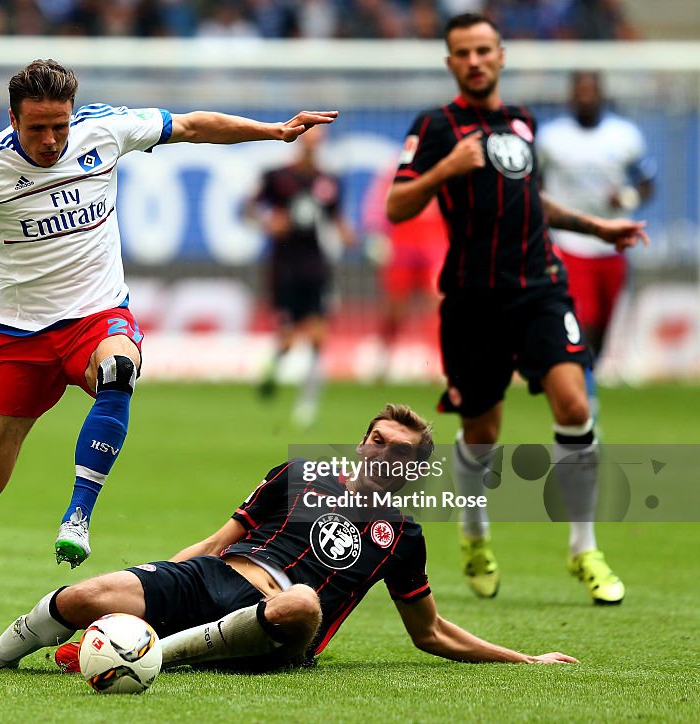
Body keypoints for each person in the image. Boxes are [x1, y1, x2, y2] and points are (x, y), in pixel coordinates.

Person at [0, 59, 339, 568]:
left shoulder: (102, 128)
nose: (52, 140)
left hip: (96, 316)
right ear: (13, 120)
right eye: (38, 128)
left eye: (60, 126)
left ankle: (77, 517)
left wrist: (274, 131)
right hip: (21, 334)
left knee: (119, 369)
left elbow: (190, 125)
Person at [0, 403, 578, 672]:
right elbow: (215, 539)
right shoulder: (298, 474)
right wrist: (149, 579)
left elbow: (430, 632)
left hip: (277, 627)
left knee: (303, 604)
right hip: (215, 579)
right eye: (375, 439)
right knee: (89, 592)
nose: (380, 452)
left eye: (396, 451)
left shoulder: (401, 536)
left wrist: (525, 661)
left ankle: (146, 654)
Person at [386, 14, 648, 604]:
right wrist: (448, 168)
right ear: (450, 62)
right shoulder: (434, 125)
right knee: (481, 433)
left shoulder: (522, 121)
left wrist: (596, 227)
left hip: (541, 286)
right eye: (462, 53)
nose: (475, 61)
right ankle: (475, 535)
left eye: (484, 50)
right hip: (474, 300)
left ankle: (584, 549)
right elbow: (398, 204)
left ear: (501, 56)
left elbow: (528, 197)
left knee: (575, 401)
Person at [537, 71, 656, 412]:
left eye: (591, 91)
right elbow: (534, 183)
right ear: (571, 95)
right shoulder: (551, 138)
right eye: (580, 91)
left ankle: (585, 381)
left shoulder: (624, 136)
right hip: (569, 243)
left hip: (612, 244)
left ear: (601, 95)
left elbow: (647, 181)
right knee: (581, 320)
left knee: (601, 327)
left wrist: (628, 199)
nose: (586, 97)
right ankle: (583, 400)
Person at [252, 124, 356, 429]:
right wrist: (268, 221)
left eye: (317, 142)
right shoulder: (277, 177)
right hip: (283, 266)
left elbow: (336, 219)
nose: (311, 147)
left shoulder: (329, 181)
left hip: (314, 265)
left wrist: (348, 235)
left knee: (316, 337)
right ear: (299, 144)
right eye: (307, 142)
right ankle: (272, 368)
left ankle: (306, 405)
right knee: (287, 339)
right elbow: (247, 209)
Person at [360, 163, 447, 380]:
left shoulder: (447, 165)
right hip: (402, 245)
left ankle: (437, 363)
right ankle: (383, 357)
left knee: (438, 306)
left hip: (434, 245)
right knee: (395, 309)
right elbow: (376, 205)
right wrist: (376, 236)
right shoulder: (395, 170)